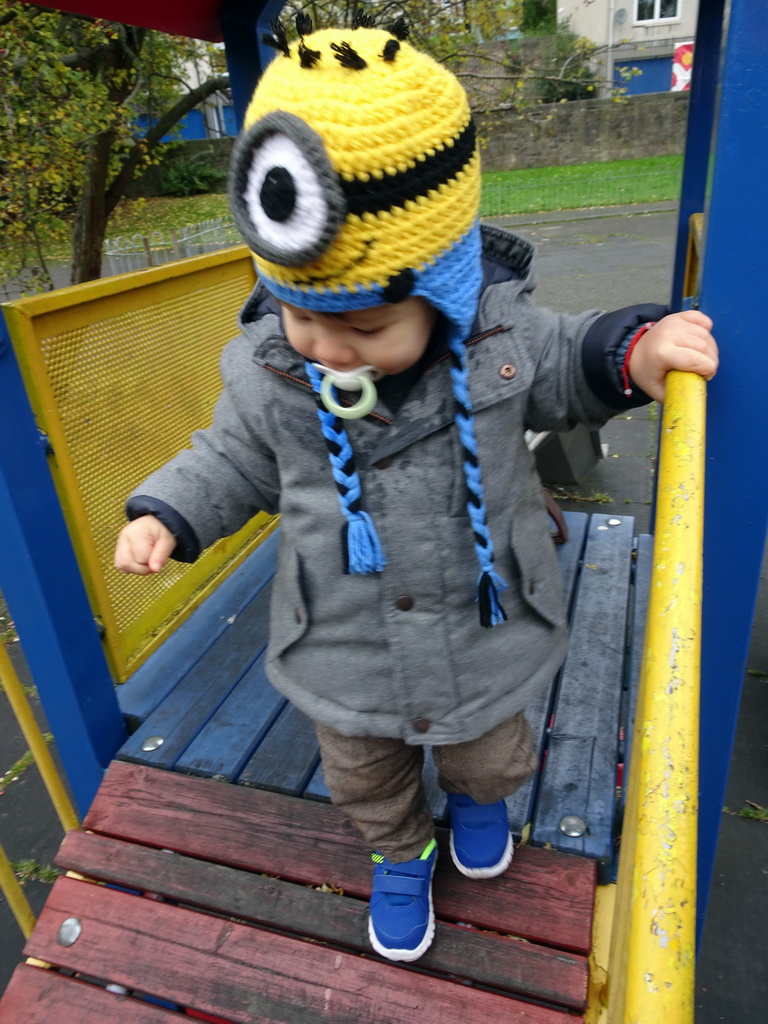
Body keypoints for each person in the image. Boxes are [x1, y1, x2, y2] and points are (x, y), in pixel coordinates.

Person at [114, 17, 718, 963]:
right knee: (363, 772)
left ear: (442, 291)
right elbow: (232, 455)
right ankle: (402, 852)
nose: (325, 347)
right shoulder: (272, 370)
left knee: (491, 749)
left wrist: (632, 349)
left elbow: (568, 359)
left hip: (480, 626)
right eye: (301, 314)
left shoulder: (498, 343)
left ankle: (479, 802)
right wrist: (167, 509)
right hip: (343, 638)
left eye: (359, 326)